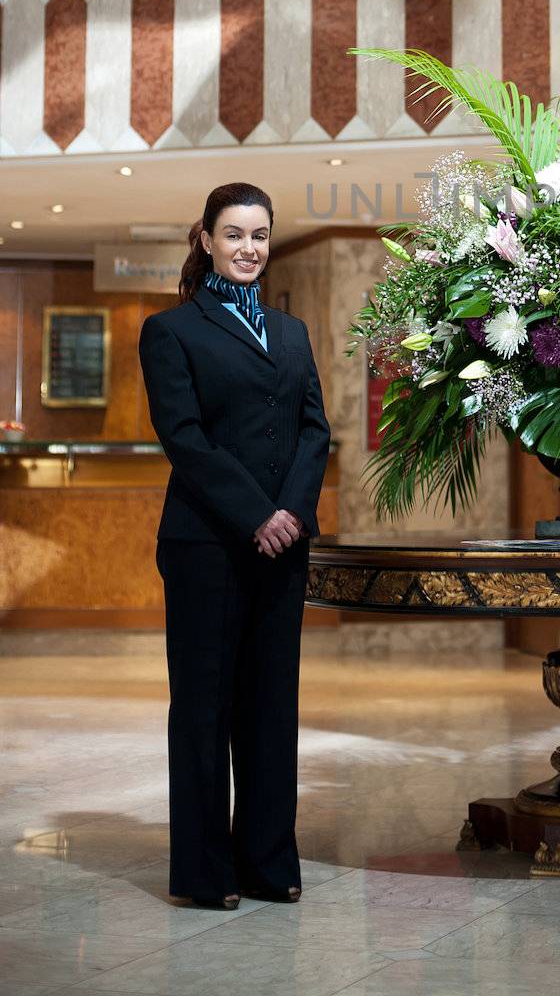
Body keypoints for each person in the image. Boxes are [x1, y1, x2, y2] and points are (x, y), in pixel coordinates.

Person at [139, 181, 330, 910]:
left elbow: (315, 429)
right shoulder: (172, 331)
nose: (248, 248)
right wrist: (257, 512)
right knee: (203, 708)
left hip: (283, 543)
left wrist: (291, 511)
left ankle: (269, 862)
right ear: (206, 239)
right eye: (234, 234)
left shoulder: (291, 333)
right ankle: (203, 872)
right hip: (206, 545)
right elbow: (184, 439)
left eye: (259, 235)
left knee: (270, 706)